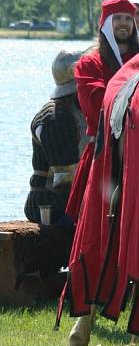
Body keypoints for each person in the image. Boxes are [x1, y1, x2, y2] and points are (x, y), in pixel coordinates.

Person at [65, 0, 139, 221]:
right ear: (106, 23)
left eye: (128, 18)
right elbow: (97, 108)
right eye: (117, 18)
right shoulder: (90, 64)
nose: (123, 23)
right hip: (103, 154)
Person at [25, 50, 87, 225]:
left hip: (65, 201)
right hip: (50, 204)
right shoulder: (56, 117)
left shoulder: (73, 111)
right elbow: (64, 180)